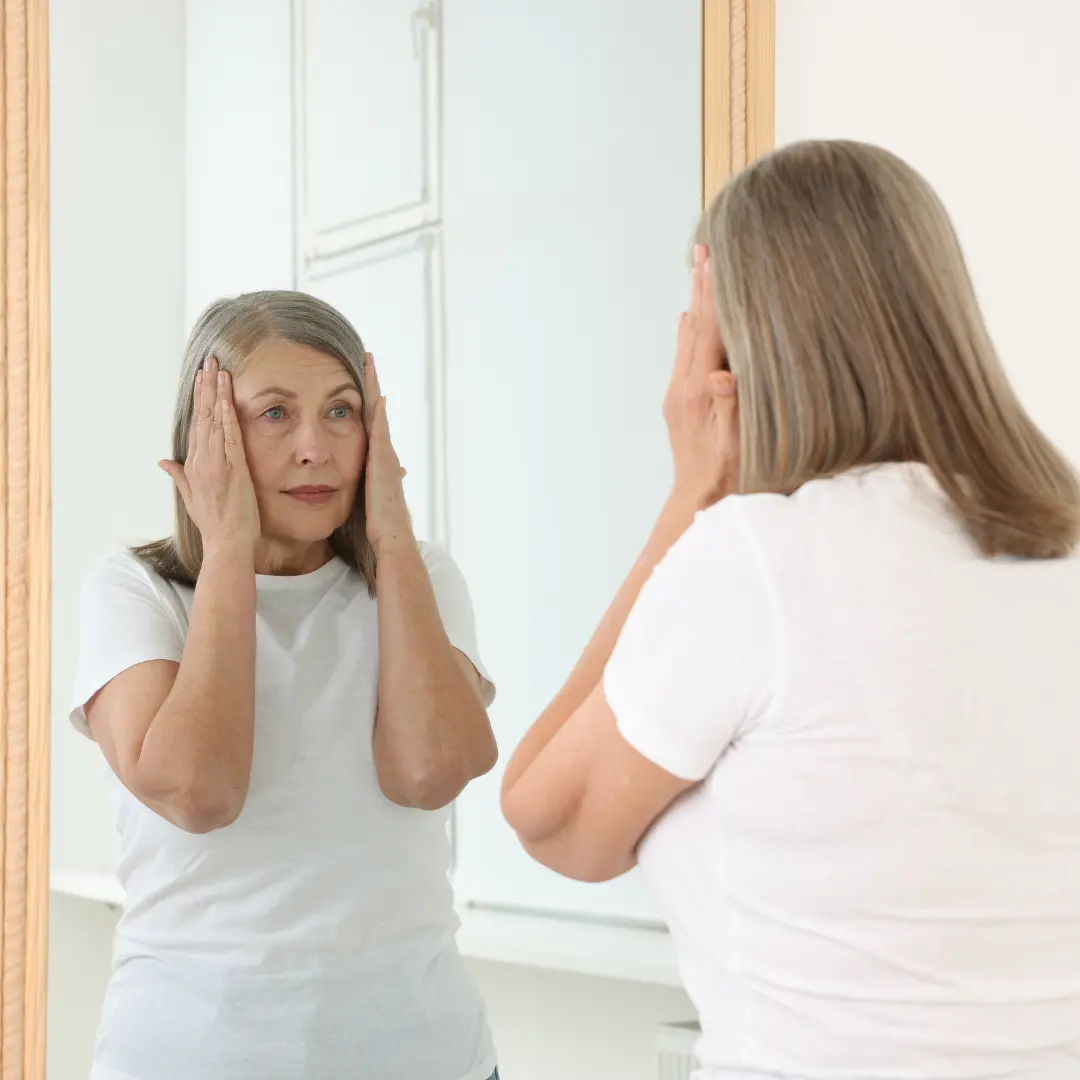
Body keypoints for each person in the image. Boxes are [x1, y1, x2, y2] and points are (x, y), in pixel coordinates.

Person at [501, 140, 1080, 1080]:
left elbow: (549, 821)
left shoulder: (756, 561)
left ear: (741, 349)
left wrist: (691, 493)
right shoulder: (1064, 547)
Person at [71, 291, 501, 1080]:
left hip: (426, 1056)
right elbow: (198, 793)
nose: (317, 447)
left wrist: (394, 536)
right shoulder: (136, 592)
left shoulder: (418, 577)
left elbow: (429, 773)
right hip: (195, 1057)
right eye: (274, 414)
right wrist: (229, 546)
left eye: (342, 411)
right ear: (206, 437)